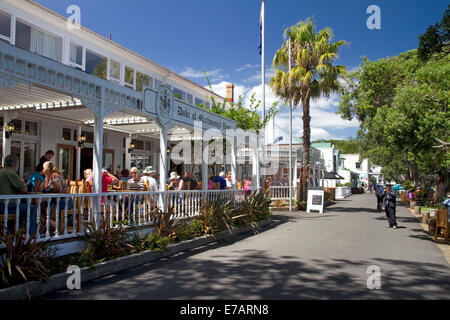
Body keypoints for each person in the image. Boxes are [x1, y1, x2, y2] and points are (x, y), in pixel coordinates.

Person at [0, 154, 37, 234]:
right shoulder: (11, 173)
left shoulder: (2, 171)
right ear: (15, 164)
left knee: (21, 209)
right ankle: (31, 236)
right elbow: (24, 189)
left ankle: (11, 234)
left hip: (3, 204)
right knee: (31, 208)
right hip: (5, 205)